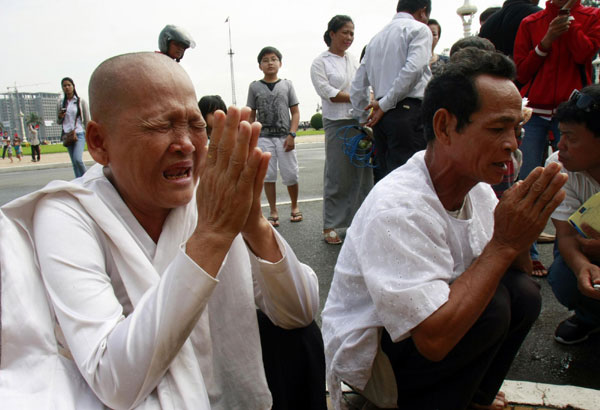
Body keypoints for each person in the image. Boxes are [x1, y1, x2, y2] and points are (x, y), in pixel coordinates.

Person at [0, 52, 324, 410]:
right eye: (159, 125)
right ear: (98, 143)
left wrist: (254, 225)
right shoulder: (68, 214)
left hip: (228, 392)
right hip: (136, 397)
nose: (185, 143)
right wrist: (213, 236)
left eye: (195, 125)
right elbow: (114, 380)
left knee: (302, 341)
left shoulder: (209, 191)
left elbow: (300, 311)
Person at [322, 47, 567, 410]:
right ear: (444, 127)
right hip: (378, 360)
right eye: (498, 128)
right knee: (495, 306)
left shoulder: (479, 191)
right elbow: (433, 340)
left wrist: (522, 230)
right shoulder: (399, 207)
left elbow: (512, 272)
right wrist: (504, 243)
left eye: (516, 129)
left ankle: (473, 398)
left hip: (432, 328)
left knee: (524, 293)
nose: (512, 145)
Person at [514, 0, 600, 276]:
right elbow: (522, 70)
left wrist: (571, 28)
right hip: (537, 112)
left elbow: (585, 55)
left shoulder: (591, 16)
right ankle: (528, 254)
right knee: (530, 183)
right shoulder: (532, 23)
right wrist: (546, 41)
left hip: (578, 113)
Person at [350, 0, 432, 183]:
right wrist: (386, 103)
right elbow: (413, 70)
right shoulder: (419, 29)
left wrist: (362, 117)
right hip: (407, 113)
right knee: (412, 180)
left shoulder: (375, 39)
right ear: (423, 11)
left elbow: (358, 83)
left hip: (381, 119)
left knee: (387, 181)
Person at [310, 15, 373, 245]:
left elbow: (364, 85)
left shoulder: (354, 60)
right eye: (345, 32)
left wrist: (368, 101)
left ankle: (361, 222)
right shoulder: (320, 62)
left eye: (352, 33)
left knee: (362, 173)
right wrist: (359, 98)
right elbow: (329, 92)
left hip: (359, 121)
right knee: (338, 175)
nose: (349, 37)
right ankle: (332, 224)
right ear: (332, 34)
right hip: (337, 122)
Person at [546, 85, 600, 345]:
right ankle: (590, 317)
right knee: (564, 276)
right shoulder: (559, 169)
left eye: (571, 137)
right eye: (561, 135)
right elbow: (566, 237)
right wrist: (583, 268)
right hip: (587, 250)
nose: (561, 145)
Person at [247, 46, 302, 226]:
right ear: (259, 66)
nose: (270, 63)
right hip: (264, 138)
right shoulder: (254, 87)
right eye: (265, 60)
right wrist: (251, 139)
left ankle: (294, 206)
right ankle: (273, 210)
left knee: (291, 174)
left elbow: (295, 112)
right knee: (268, 176)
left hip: (284, 137)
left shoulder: (287, 85)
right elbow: (251, 115)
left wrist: (292, 134)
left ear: (280, 63)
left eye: (273, 59)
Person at [57, 77, 90, 178]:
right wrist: (60, 117)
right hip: (67, 135)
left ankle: (87, 179)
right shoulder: (60, 103)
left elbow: (87, 119)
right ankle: (79, 182)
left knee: (78, 160)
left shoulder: (80, 101)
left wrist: (89, 135)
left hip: (79, 133)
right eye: (64, 86)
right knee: (74, 163)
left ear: (73, 86)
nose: (67, 87)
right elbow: (58, 122)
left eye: (69, 85)